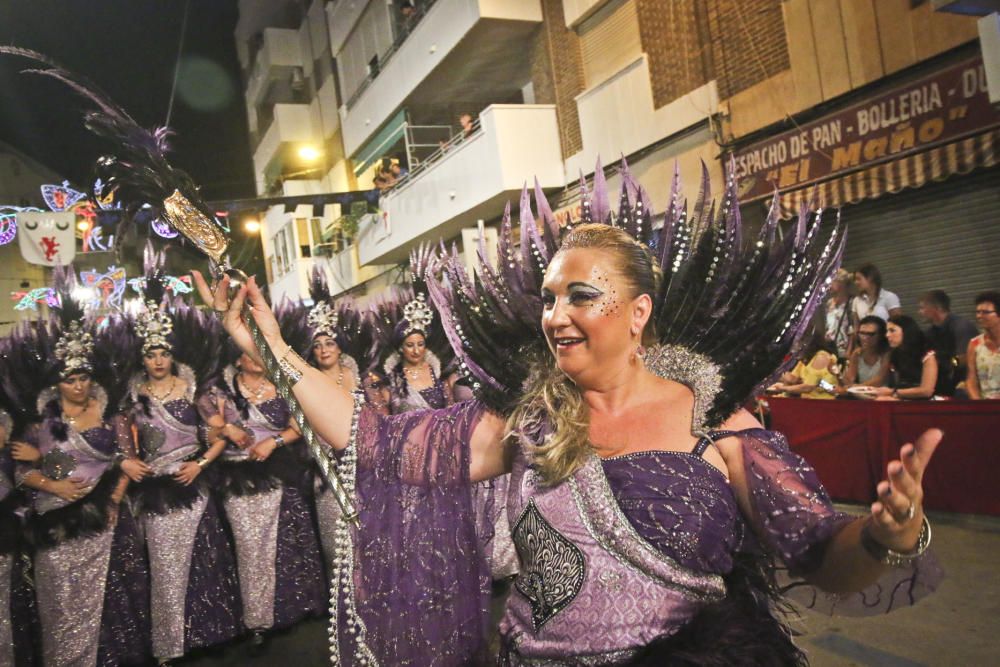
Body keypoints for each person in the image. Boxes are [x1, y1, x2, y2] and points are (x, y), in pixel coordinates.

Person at [197, 167, 941, 665]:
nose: (555, 315)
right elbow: (381, 441)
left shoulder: (719, 423)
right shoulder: (527, 421)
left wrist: (884, 533)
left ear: (639, 311)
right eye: (550, 297)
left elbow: (824, 559)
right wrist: (272, 347)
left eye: (580, 295)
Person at [11, 316, 152, 666]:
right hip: (56, 525)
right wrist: (52, 483)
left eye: (83, 377)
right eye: (69, 379)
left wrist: (115, 499)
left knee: (111, 598)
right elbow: (17, 471)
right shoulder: (39, 422)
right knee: (61, 602)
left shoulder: (111, 416)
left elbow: (127, 461)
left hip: (105, 520)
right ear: (57, 383)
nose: (78, 386)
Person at [124, 294, 242, 666]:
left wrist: (200, 464)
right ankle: (170, 642)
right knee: (164, 566)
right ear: (142, 358)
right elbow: (123, 446)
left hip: (193, 485)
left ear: (172, 355)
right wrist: (126, 463)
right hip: (156, 493)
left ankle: (214, 634)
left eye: (163, 353)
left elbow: (218, 435)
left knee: (207, 562)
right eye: (150, 354)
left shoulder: (194, 390)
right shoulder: (131, 396)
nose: (157, 361)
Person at [195, 349, 326, 651]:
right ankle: (256, 621)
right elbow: (203, 429)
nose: (254, 358)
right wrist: (226, 428)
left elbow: (301, 424)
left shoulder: (282, 384)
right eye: (247, 352)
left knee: (286, 545)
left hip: (277, 471)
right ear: (236, 358)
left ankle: (289, 612)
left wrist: (273, 441)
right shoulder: (219, 391)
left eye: (258, 351)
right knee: (249, 546)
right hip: (235, 476)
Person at [918, 290, 978, 396]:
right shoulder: (930, 333)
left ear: (937, 308)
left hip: (964, 380)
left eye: (923, 308)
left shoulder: (961, 327)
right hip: (943, 382)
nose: (920, 312)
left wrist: (950, 363)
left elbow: (964, 358)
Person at [874, 315, 939, 400]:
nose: (887, 335)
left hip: (924, 401)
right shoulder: (895, 354)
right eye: (887, 331)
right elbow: (896, 383)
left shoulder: (927, 356)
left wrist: (893, 392)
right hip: (903, 397)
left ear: (906, 331)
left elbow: (926, 390)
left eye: (892, 330)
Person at [966, 290, 1000, 399]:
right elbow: (971, 379)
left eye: (985, 312)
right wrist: (978, 404)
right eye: (978, 312)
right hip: (986, 406)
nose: (980, 316)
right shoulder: (974, 344)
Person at [842, 316, 890, 389]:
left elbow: (880, 380)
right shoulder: (857, 353)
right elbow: (849, 380)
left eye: (870, 334)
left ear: (881, 335)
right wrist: (836, 373)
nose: (864, 337)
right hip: (861, 394)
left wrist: (858, 387)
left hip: (882, 395)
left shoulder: (886, 354)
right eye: (861, 333)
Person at [825, 269, 855, 358]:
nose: (829, 285)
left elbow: (853, 329)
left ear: (841, 283)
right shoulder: (829, 303)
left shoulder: (852, 302)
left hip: (845, 351)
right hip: (831, 350)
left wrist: (849, 352)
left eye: (832, 282)